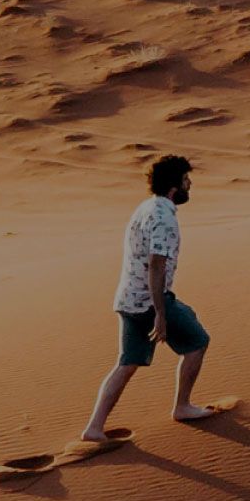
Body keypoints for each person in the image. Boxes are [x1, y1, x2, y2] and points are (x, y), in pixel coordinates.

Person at [82, 153, 214, 441]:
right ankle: (182, 406)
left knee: (127, 362)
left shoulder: (146, 207)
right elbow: (156, 265)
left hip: (128, 299)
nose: (189, 184)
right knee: (197, 342)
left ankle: (94, 427)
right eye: (185, 180)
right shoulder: (164, 218)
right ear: (174, 187)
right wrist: (161, 314)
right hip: (149, 302)